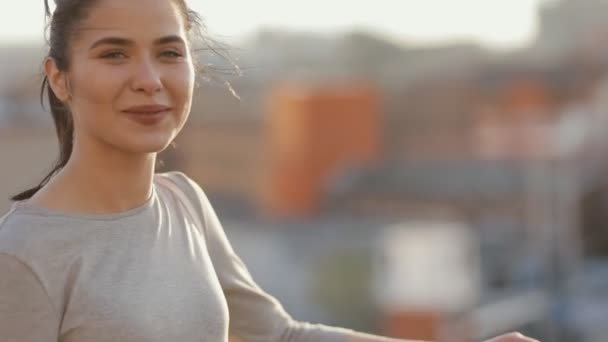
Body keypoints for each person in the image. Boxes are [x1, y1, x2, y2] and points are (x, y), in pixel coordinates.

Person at [0, 0, 540, 341]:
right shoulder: (24, 258)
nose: (149, 79)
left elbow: (278, 336)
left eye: (169, 52)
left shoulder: (182, 202)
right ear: (61, 78)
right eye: (114, 54)